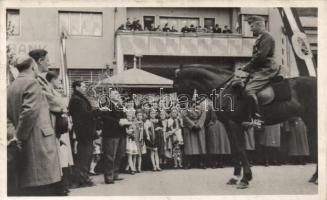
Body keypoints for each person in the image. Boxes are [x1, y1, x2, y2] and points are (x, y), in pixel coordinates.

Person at [7, 56, 62, 196]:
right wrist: (19, 136)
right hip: (38, 143)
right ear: (33, 67)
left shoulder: (12, 86)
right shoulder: (32, 83)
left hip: (26, 143)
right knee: (43, 187)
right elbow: (29, 112)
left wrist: (14, 135)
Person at [241, 16, 279, 127]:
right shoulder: (261, 37)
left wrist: (246, 67)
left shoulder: (267, 37)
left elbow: (261, 57)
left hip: (267, 69)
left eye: (252, 26)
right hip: (261, 68)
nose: (251, 29)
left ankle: (257, 119)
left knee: (249, 90)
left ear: (259, 25)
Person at [46, 71, 74, 195]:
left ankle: (65, 185)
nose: (60, 84)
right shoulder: (51, 93)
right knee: (60, 158)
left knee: (65, 158)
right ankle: (60, 186)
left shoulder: (57, 93)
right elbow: (59, 107)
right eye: (59, 81)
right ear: (52, 80)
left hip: (63, 128)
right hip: (57, 129)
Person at [68, 81, 98, 188]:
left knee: (85, 156)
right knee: (84, 157)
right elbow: (83, 116)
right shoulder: (77, 100)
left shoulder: (78, 99)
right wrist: (96, 112)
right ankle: (80, 180)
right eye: (83, 86)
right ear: (77, 87)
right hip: (84, 133)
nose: (85, 88)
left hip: (85, 132)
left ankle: (82, 179)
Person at [100, 89, 130, 184]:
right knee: (110, 156)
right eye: (115, 93)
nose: (118, 95)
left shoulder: (120, 106)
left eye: (118, 93)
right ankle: (109, 177)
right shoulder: (106, 105)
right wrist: (118, 122)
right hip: (111, 134)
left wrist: (127, 122)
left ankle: (115, 174)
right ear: (110, 96)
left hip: (121, 133)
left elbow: (124, 117)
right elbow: (105, 118)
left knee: (119, 155)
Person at [182, 100, 207, 169]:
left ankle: (201, 163)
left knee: (200, 145)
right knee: (189, 146)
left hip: (199, 127)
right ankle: (189, 163)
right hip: (189, 128)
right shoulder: (186, 107)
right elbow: (184, 116)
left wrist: (198, 125)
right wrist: (192, 125)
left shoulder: (202, 107)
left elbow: (203, 116)